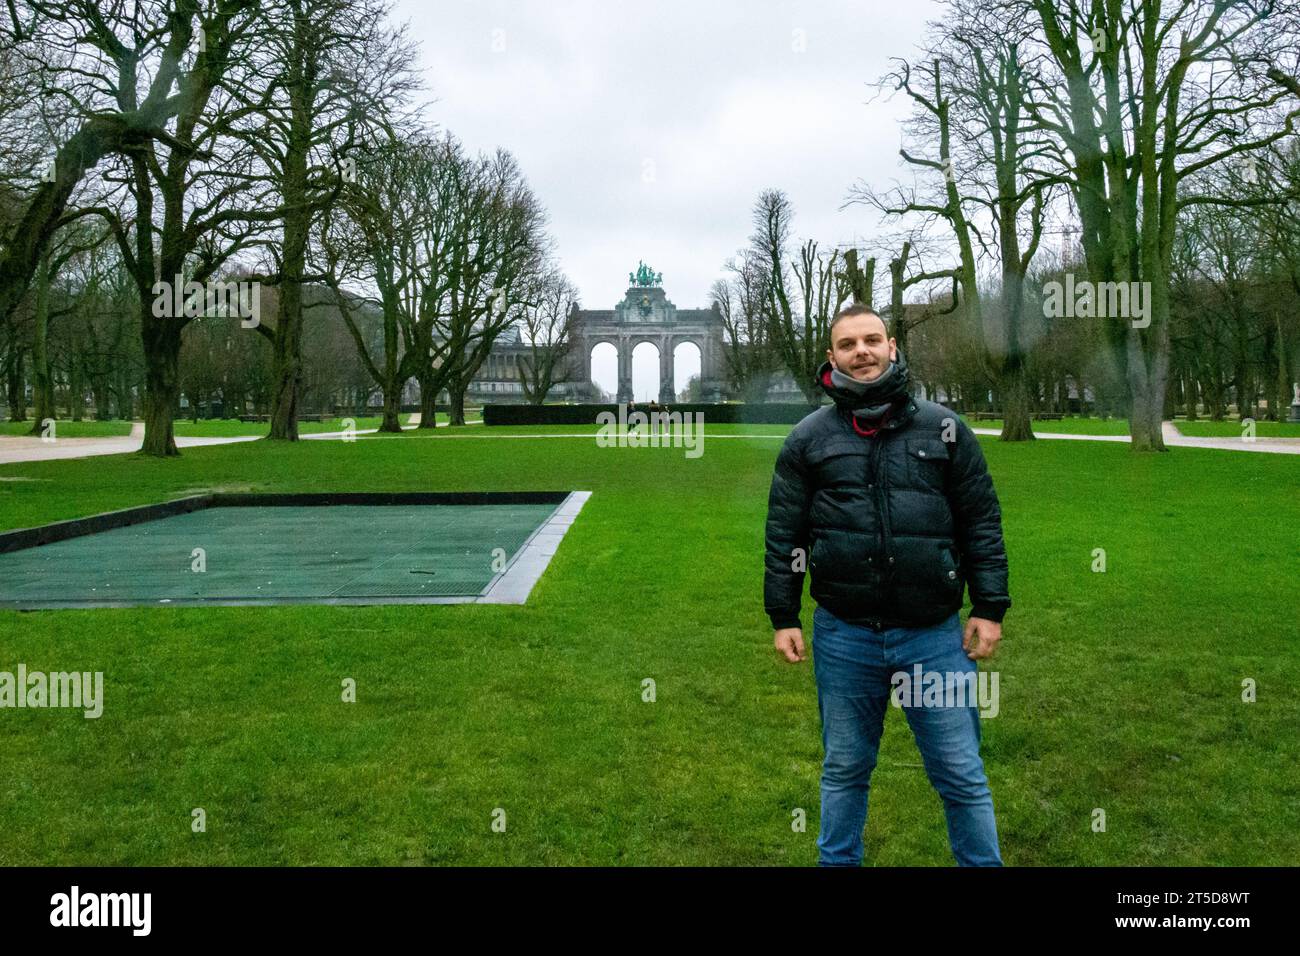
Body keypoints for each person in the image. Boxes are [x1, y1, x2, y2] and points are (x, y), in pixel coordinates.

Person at [763, 304, 1011, 867]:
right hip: (844, 634)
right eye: (848, 344)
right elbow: (785, 534)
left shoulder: (945, 428)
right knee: (845, 771)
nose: (862, 352)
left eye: (872, 340)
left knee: (960, 773)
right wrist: (784, 615)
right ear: (833, 357)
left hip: (933, 635)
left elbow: (980, 522)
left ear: (892, 346)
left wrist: (989, 606)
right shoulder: (808, 438)